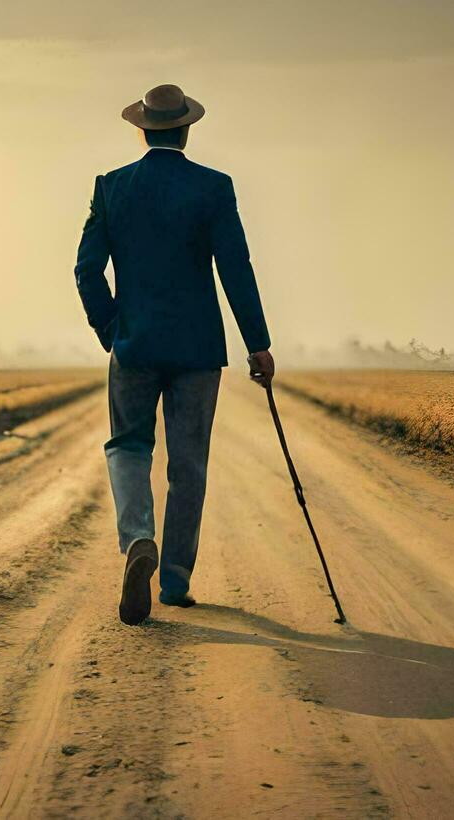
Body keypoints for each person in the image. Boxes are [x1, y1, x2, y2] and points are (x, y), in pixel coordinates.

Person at [74, 83, 275, 625]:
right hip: (197, 350)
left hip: (134, 344)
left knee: (128, 446)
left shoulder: (112, 188)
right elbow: (237, 268)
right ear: (187, 129)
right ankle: (176, 580)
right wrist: (258, 342)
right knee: (188, 464)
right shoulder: (214, 188)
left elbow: (86, 270)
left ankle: (139, 537)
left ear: (142, 130)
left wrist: (111, 327)